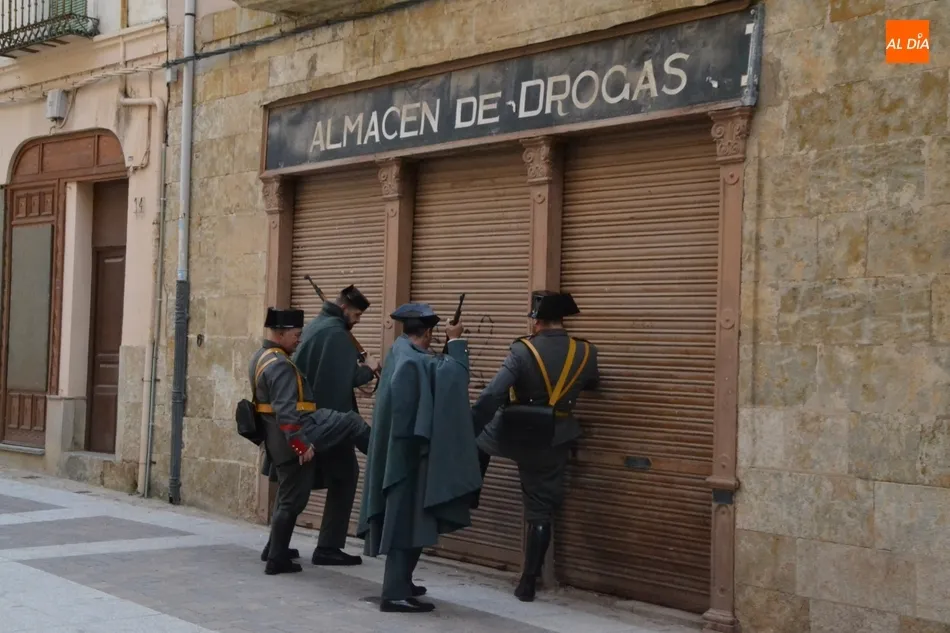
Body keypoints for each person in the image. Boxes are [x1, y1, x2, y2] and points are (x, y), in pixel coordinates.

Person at [472, 291, 600, 602]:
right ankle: (528, 582)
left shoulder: (522, 350)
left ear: (537, 322)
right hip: (553, 435)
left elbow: (493, 394)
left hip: (515, 432)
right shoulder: (586, 351)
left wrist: (470, 423)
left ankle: (468, 492)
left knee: (477, 439)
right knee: (540, 510)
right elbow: (592, 382)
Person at [357, 303, 483, 613]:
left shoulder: (400, 352)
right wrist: (456, 341)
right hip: (408, 458)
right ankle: (394, 593)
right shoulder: (412, 362)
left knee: (412, 519)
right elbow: (455, 378)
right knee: (406, 519)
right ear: (427, 333)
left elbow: (435, 373)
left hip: (403, 453)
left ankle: (403, 581)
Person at [250, 307, 372, 576]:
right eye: (295, 334)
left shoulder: (261, 357)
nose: (299, 339)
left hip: (276, 440)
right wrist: (301, 445)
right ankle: (277, 560)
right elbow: (286, 412)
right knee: (351, 422)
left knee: (288, 496)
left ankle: (275, 550)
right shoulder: (280, 365)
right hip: (295, 435)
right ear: (280, 334)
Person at [288, 285, 379, 567]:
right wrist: (370, 368)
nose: (358, 321)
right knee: (345, 475)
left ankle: (277, 545)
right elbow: (346, 379)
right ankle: (328, 547)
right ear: (344, 308)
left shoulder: (317, 325)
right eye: (357, 315)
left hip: (307, 418)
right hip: (328, 420)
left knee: (296, 484)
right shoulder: (336, 333)